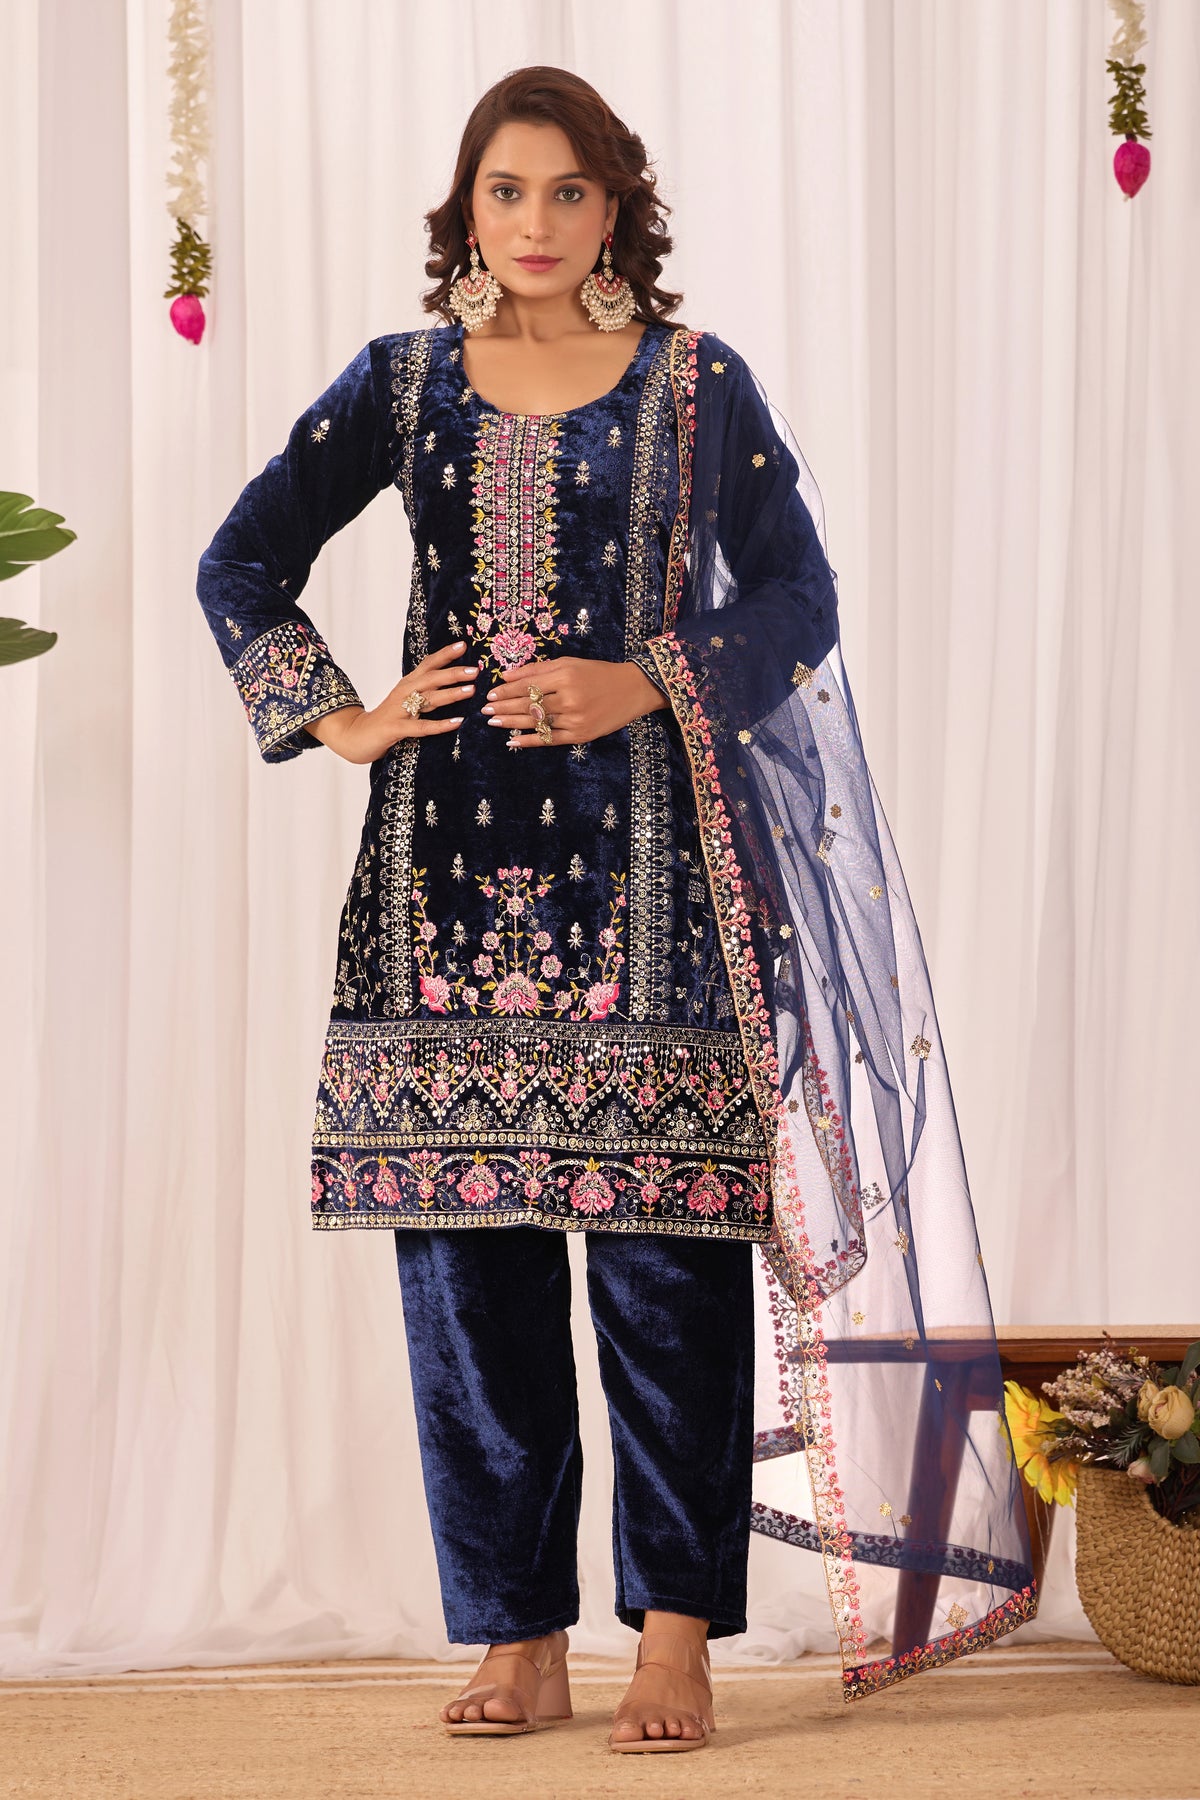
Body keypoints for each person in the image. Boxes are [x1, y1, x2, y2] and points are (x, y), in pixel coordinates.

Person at [197, 65, 1036, 1756]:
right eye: (503, 193)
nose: (531, 224)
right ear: (467, 206)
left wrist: (646, 681)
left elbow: (802, 598)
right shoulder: (404, 384)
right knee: (472, 1287)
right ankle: (520, 1632)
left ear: (614, 207)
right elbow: (243, 558)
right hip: (435, 899)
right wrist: (343, 713)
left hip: (658, 889)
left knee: (666, 1280)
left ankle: (672, 1639)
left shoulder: (700, 386)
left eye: (565, 193)